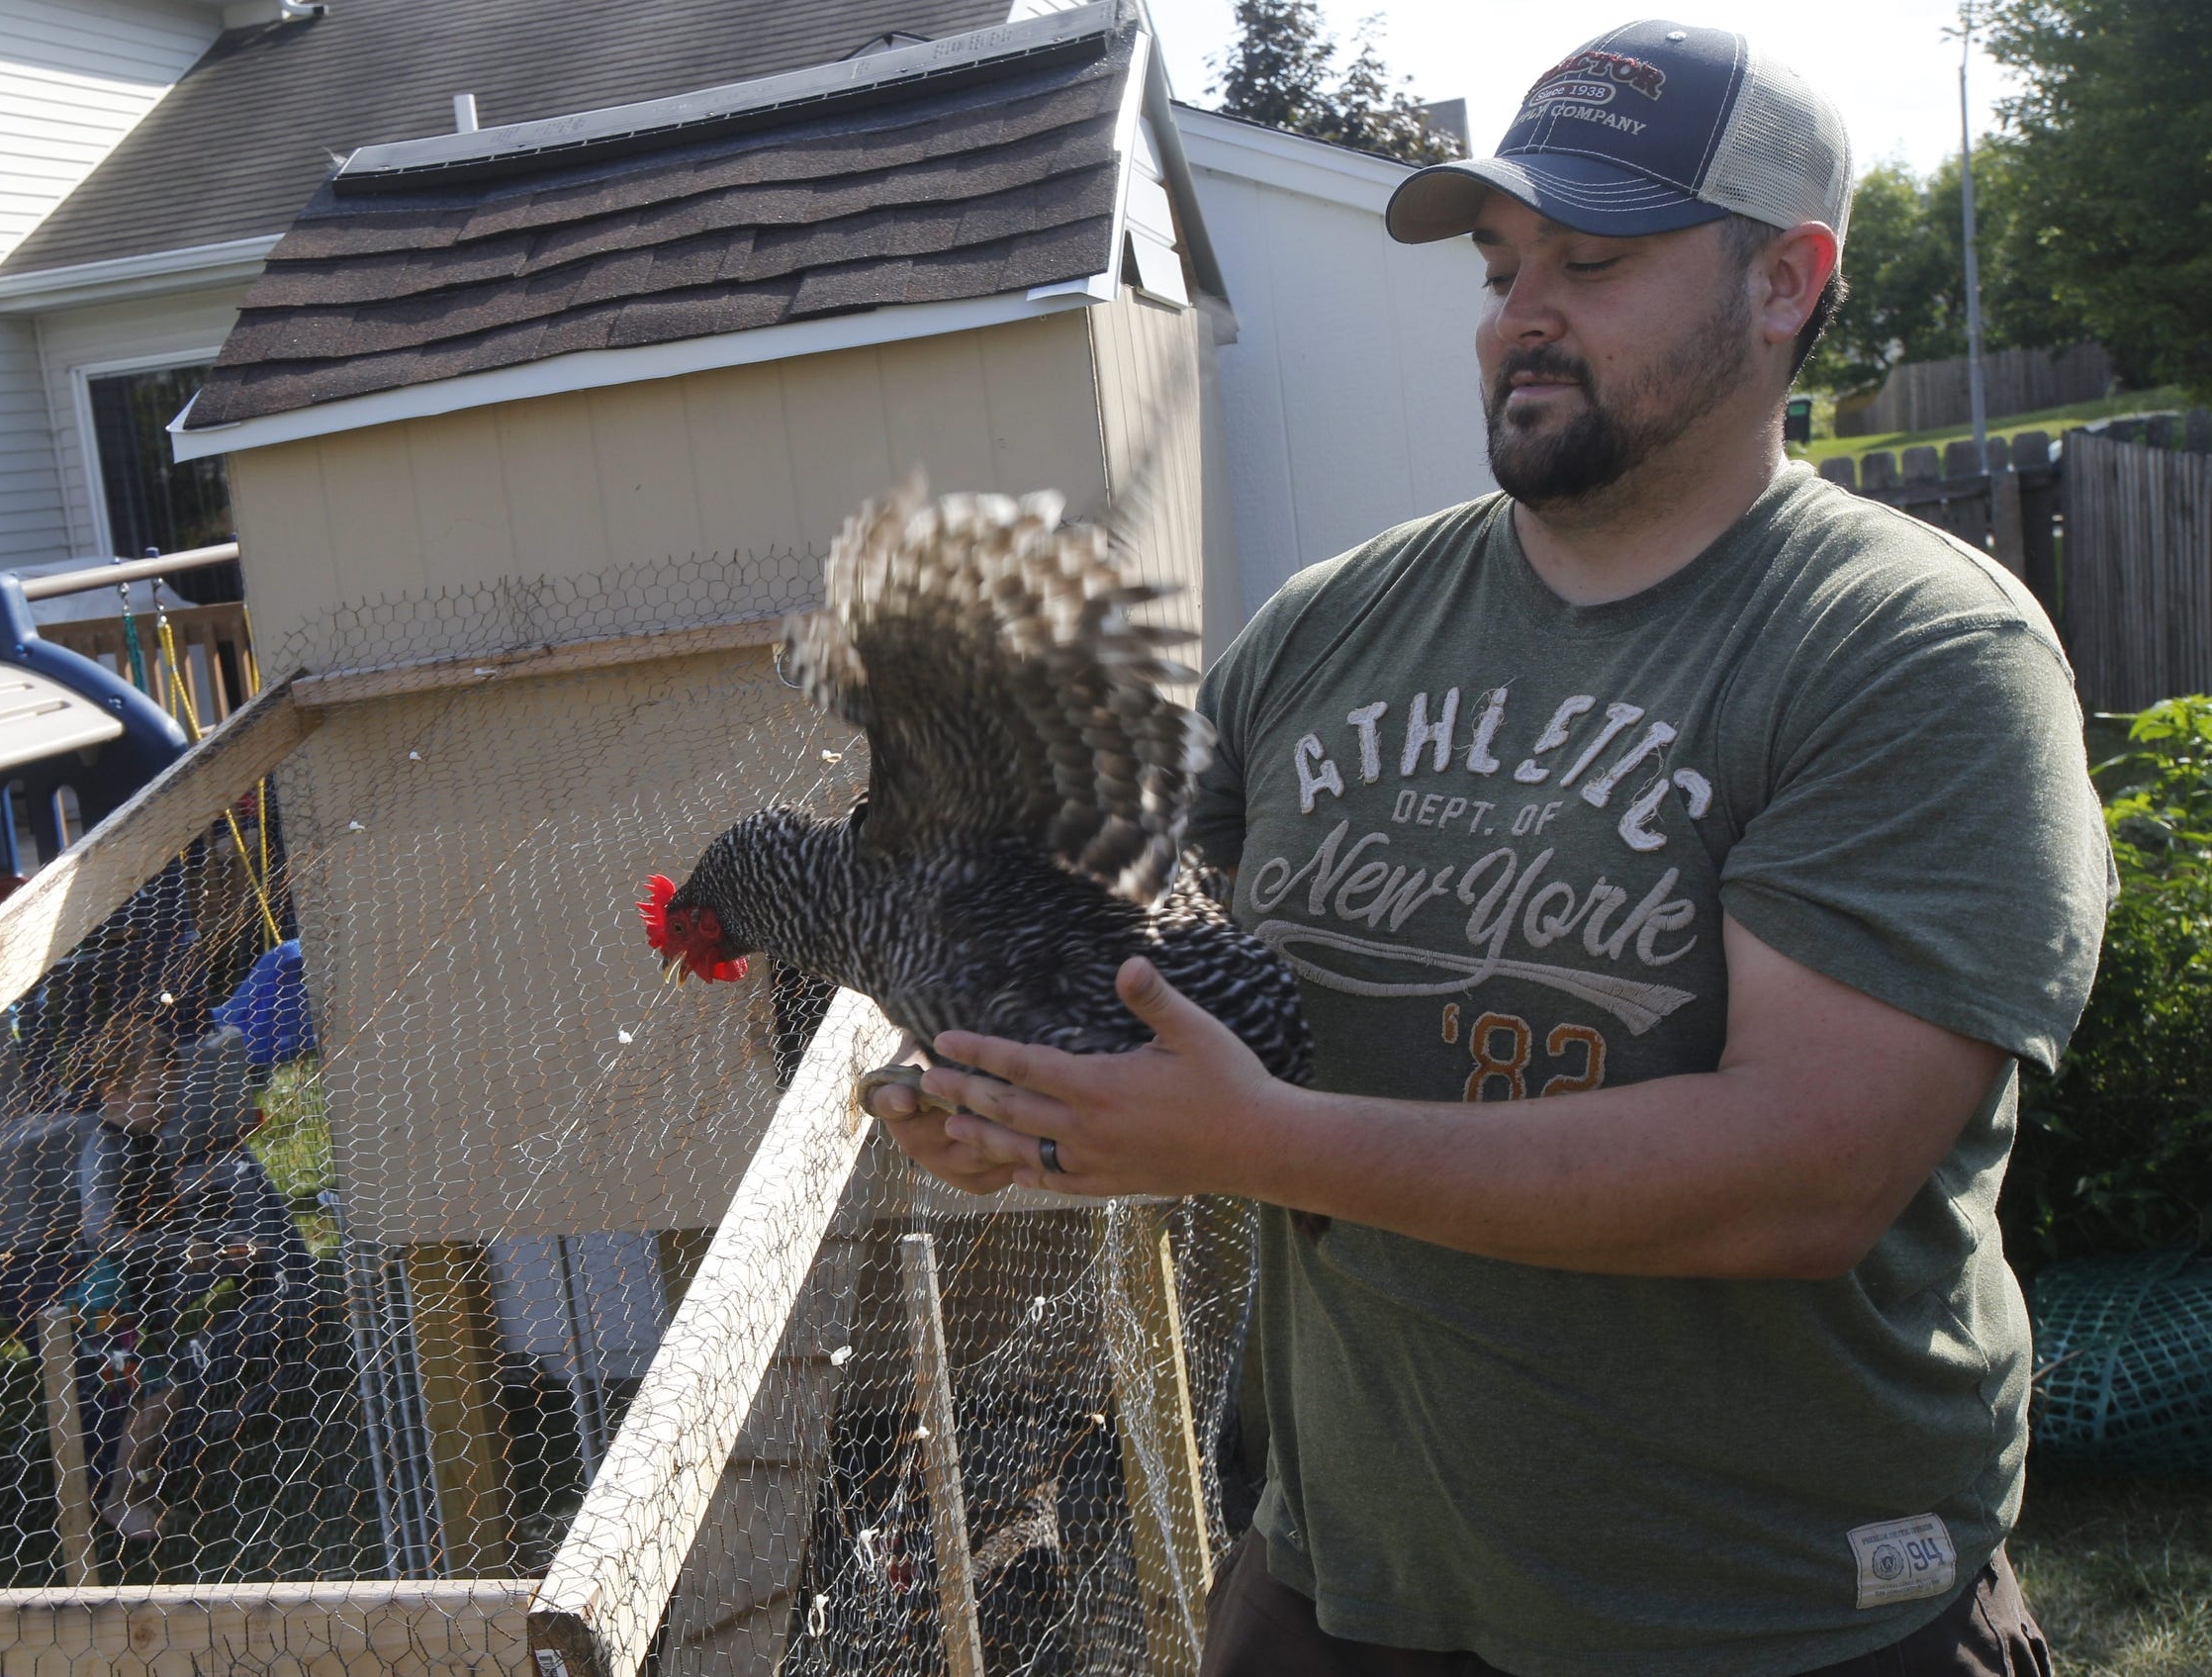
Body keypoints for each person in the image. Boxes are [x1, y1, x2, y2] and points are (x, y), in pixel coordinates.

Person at [870, 21, 2106, 1677]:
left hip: (1776, 1619)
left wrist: (1273, 1145)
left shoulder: (1909, 652)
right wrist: (1019, 1111)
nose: (1523, 310)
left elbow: (1807, 1170)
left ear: (1787, 283)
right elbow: (1145, 981)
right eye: (1503, 261)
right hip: (1345, 1599)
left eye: (1594, 261)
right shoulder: (1327, 630)